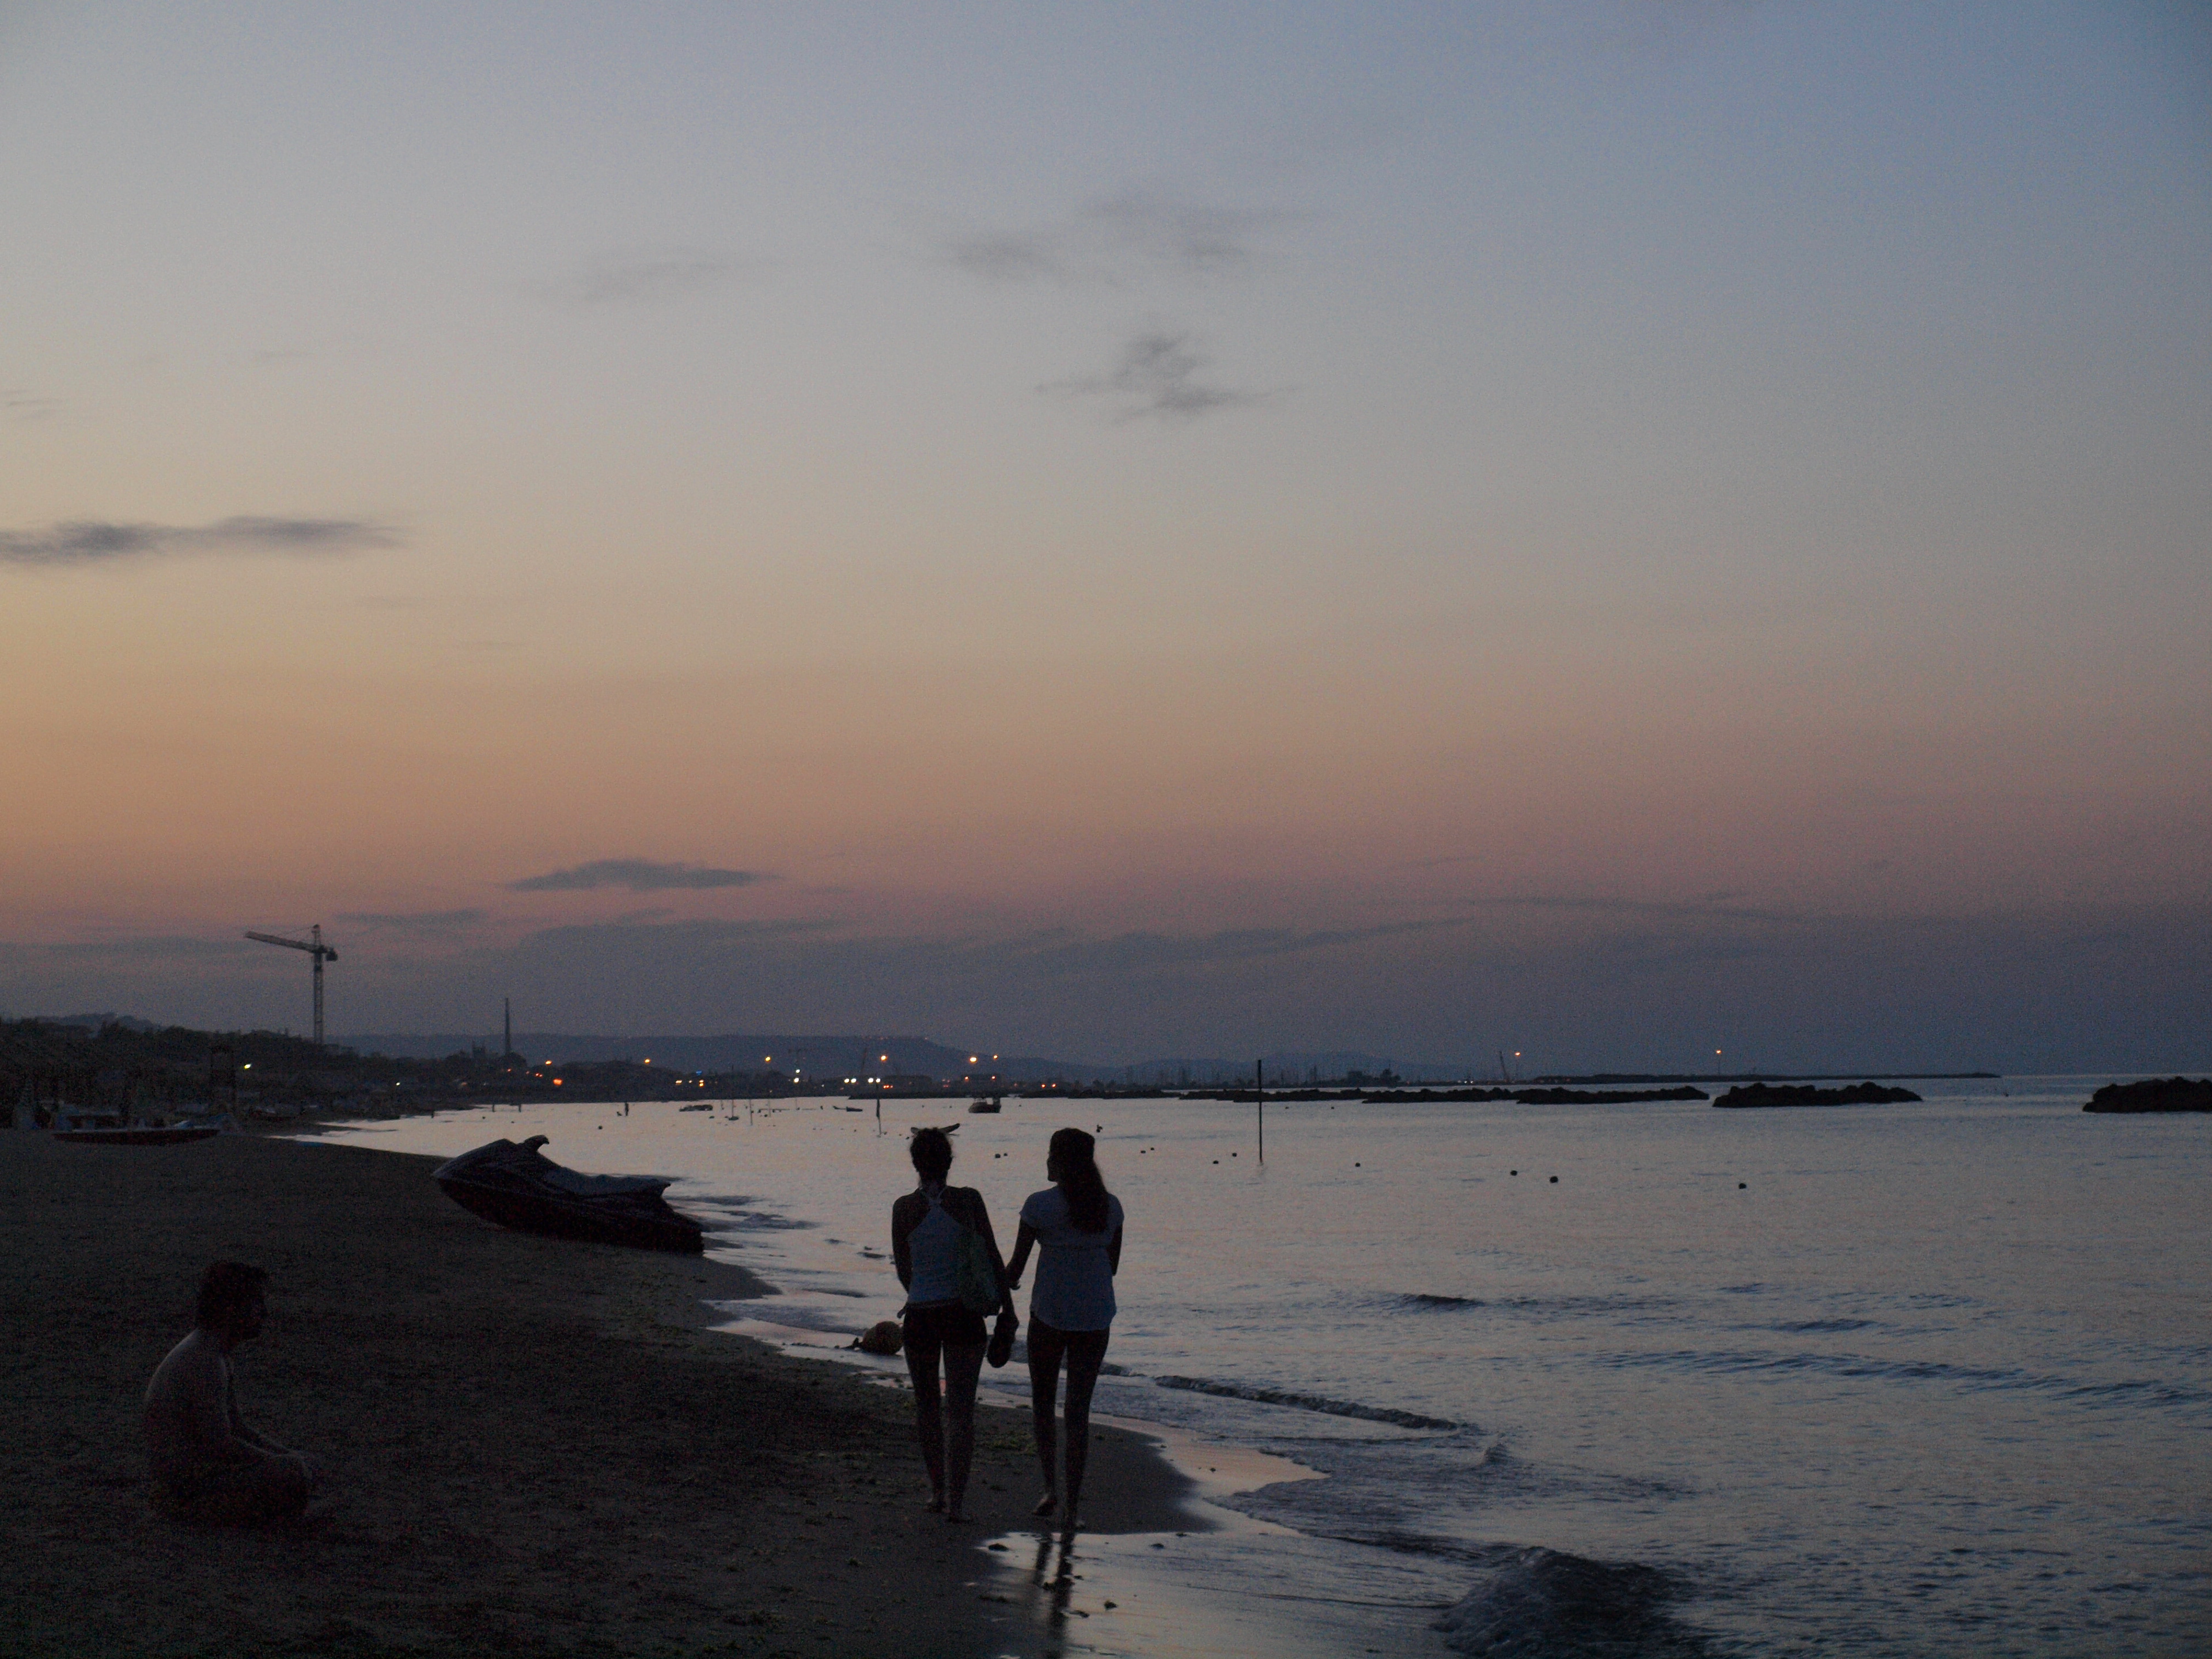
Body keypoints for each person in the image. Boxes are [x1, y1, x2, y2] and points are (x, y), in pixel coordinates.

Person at [891, 1126, 1014, 1522]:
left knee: (927, 1407)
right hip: (963, 1314)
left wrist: (923, 1290)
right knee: (961, 1412)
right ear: (949, 1162)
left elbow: (904, 1269)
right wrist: (1008, 1310)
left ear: (915, 1164)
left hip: (921, 1314)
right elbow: (992, 1257)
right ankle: (957, 1503)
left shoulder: (903, 1208)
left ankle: (937, 1492)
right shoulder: (969, 1200)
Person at [1004, 1127, 1124, 1531]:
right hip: (1095, 1315)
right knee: (1078, 1412)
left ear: (1058, 1161)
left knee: (1043, 1403)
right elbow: (1112, 1266)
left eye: (1050, 1154)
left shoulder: (1039, 1206)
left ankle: (1050, 1489)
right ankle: (1072, 1507)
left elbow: (1015, 1270)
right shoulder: (1111, 1207)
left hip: (1050, 1313)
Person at [143, 1262, 319, 1524]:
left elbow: (237, 1427)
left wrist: (287, 1455)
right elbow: (221, 1443)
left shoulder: (210, 1351)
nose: (264, 1313)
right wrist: (285, 1462)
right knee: (292, 1474)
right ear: (231, 1308)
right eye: (256, 1303)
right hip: (183, 1496)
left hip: (187, 1485)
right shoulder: (205, 1360)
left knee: (298, 1467)